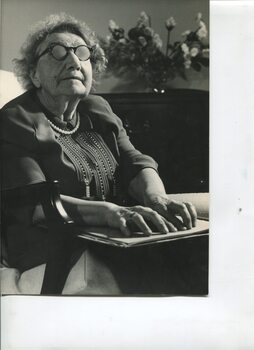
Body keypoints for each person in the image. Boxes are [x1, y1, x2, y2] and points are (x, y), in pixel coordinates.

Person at [0, 13, 198, 294]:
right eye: (57, 52)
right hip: (52, 244)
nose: (73, 61)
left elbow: (135, 163)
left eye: (82, 53)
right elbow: (37, 205)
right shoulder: (14, 120)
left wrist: (157, 199)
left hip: (116, 234)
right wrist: (110, 213)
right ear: (34, 74)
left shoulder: (98, 109)